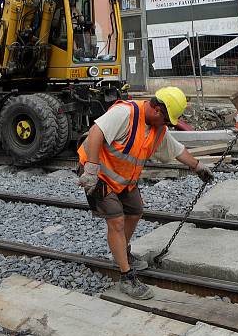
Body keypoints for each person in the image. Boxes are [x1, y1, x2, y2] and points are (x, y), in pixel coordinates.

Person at [76, 87, 214, 300]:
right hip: (97, 174)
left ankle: (122, 252)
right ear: (157, 109)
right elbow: (95, 133)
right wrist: (91, 169)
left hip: (123, 180)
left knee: (135, 211)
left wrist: (198, 167)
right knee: (116, 221)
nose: (168, 125)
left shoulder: (158, 129)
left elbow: (177, 150)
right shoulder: (125, 114)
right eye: (167, 120)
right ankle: (126, 276)